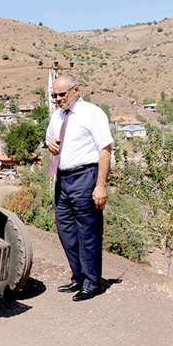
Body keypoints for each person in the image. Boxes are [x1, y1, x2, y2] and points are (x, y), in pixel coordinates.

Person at [45, 74, 113, 302]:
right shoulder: (57, 116)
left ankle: (92, 283)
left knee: (88, 233)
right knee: (66, 232)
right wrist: (51, 144)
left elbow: (105, 149)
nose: (58, 99)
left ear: (76, 90)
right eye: (54, 95)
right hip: (62, 179)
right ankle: (78, 277)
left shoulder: (92, 114)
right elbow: (50, 140)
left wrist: (100, 186)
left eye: (62, 94)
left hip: (85, 177)